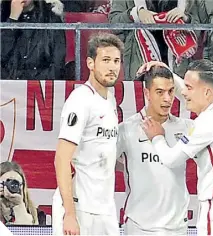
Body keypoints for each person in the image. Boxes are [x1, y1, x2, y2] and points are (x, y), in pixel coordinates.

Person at [142, 59, 213, 236]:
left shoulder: (207, 122)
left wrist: (157, 137)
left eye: (188, 88)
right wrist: (169, 73)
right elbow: (196, 91)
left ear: (207, 92)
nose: (183, 93)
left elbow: (171, 159)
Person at [53, 32, 124, 235]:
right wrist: (69, 214)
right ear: (91, 63)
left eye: (117, 61)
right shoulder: (80, 100)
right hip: (79, 208)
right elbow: (61, 159)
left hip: (104, 208)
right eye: (106, 60)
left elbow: (102, 151)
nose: (112, 67)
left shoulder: (110, 100)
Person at [116, 62, 193, 235]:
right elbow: (102, 163)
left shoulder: (186, 127)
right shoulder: (127, 129)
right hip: (139, 228)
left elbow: (208, 107)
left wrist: (171, 72)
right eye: (160, 92)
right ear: (147, 93)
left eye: (171, 91)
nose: (167, 98)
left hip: (178, 228)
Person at [0, 0, 66, 80]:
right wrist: (12, 20)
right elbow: (2, 55)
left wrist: (32, 83)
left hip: (40, 85)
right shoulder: (3, 17)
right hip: (8, 86)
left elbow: (58, 65)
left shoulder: (51, 19)